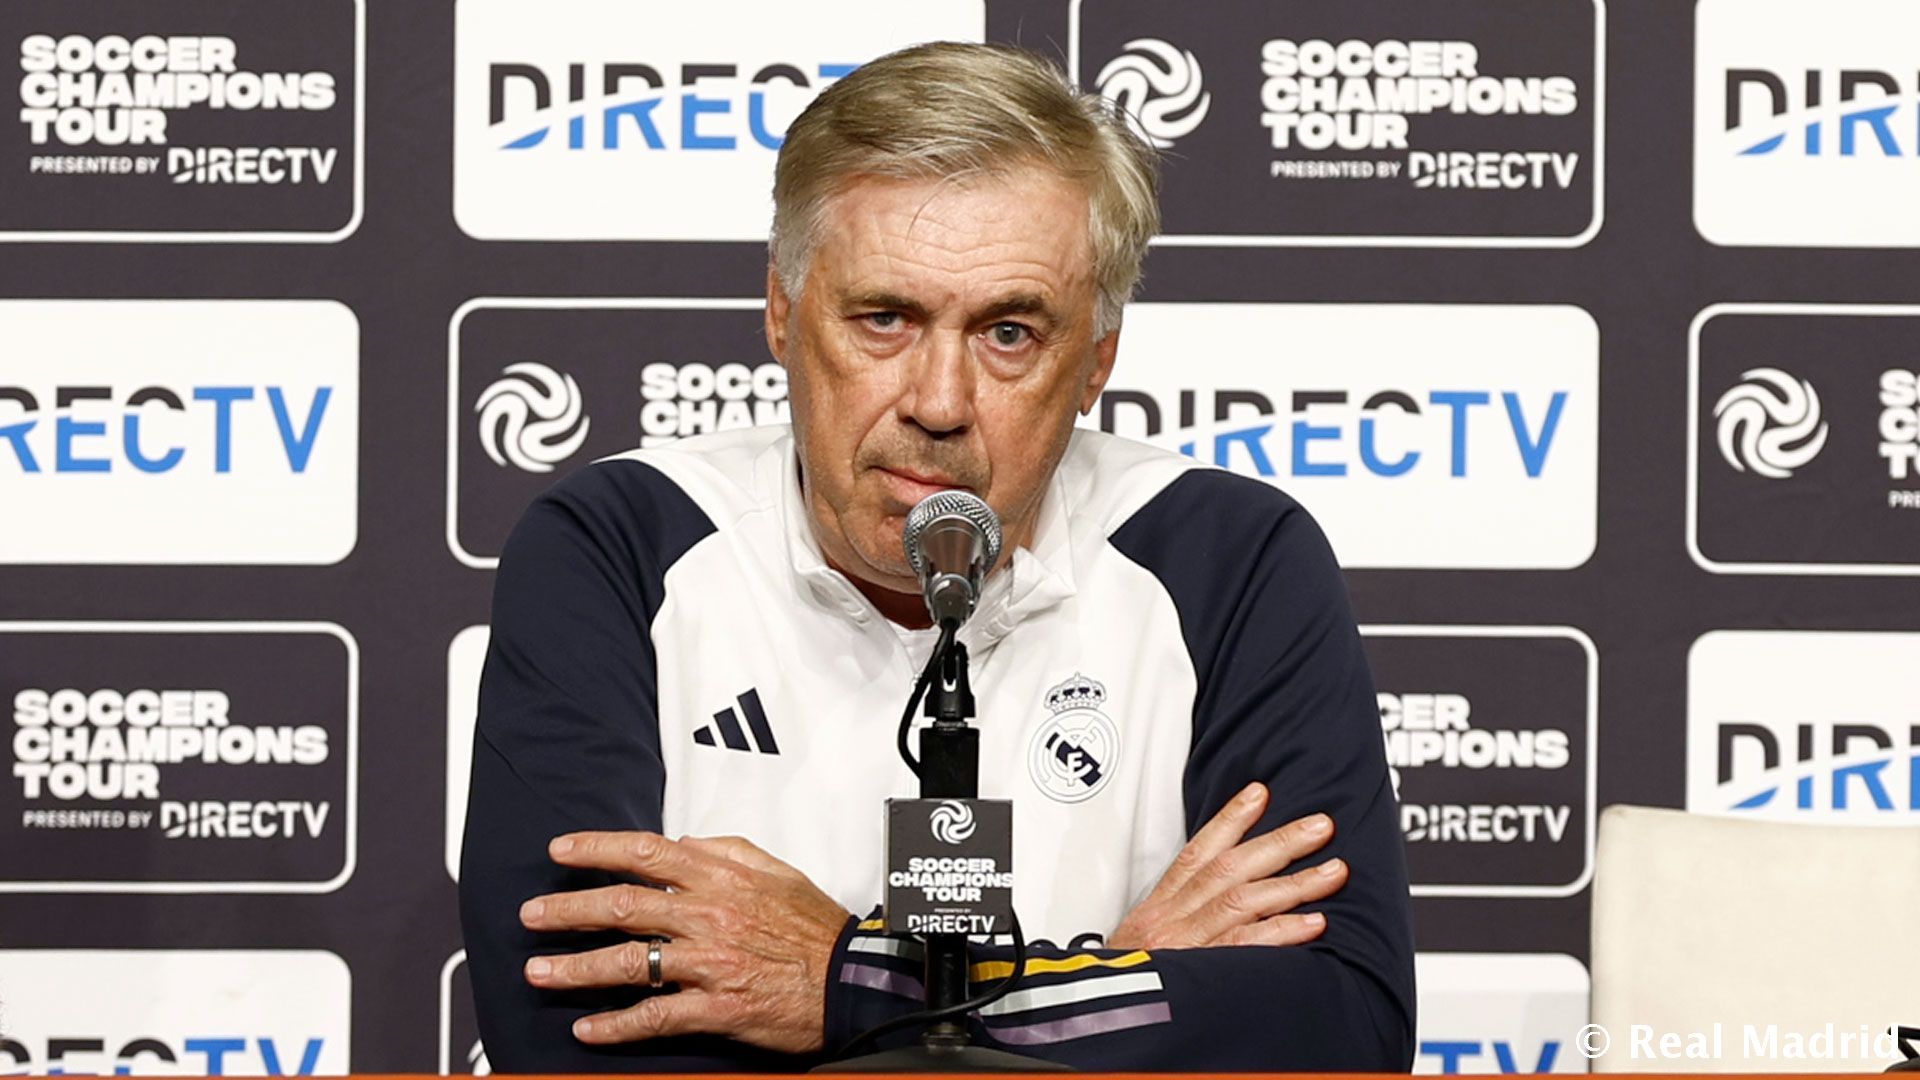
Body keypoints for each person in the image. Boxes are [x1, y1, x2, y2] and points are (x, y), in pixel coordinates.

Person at [460, 41, 1414, 1072]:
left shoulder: (1230, 561)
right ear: (783, 314)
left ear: (1096, 361)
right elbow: (565, 1036)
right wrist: (1114, 984)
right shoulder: (620, 545)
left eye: (1010, 332)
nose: (941, 403)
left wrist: (831, 981)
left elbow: (1339, 1026)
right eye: (884, 319)